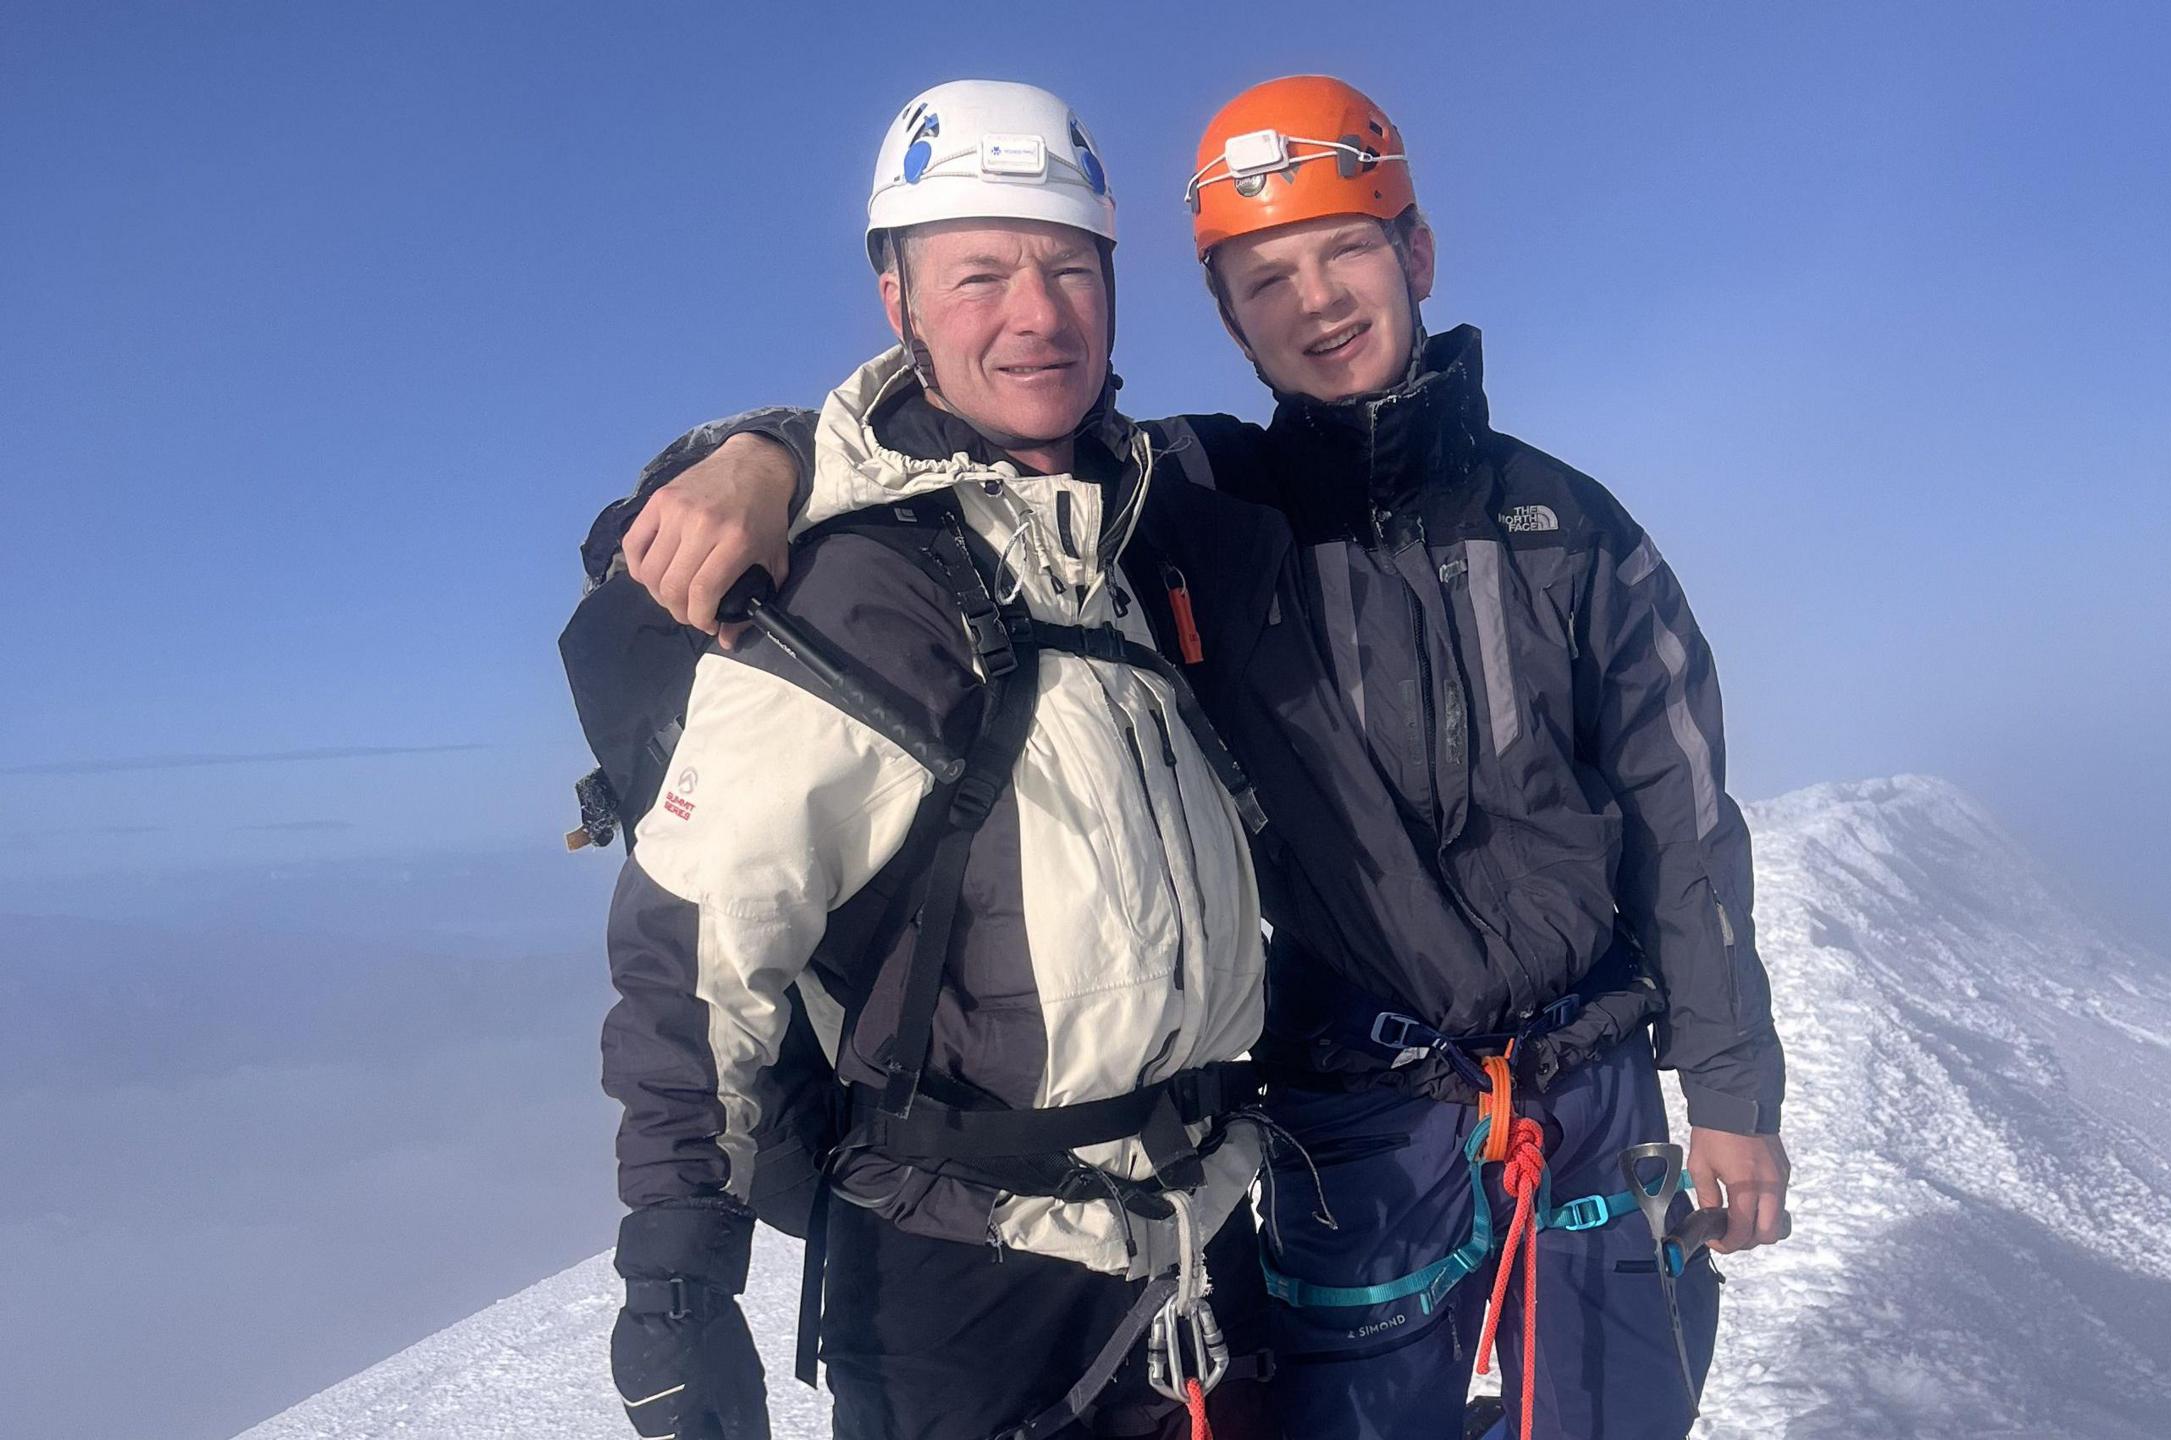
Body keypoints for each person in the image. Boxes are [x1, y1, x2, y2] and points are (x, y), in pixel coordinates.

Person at [603, 75, 1791, 1440]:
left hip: (1580, 1087)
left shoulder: (1566, 528)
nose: (1317, 300)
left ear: (1416, 252)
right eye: (1261, 278)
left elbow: (1680, 820)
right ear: (1227, 319)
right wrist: (755, 455)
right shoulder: (1196, 505)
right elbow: (946, 455)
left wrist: (1735, 1093)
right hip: (1356, 1105)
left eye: (1345, 247)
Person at [591, 80, 1283, 1440]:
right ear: (899, 302)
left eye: (1068, 268)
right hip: (960, 1295)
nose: (1036, 313)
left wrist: (771, 445)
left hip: (1199, 1242)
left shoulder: (1134, 540)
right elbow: (702, 945)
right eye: (980, 275)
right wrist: (676, 1280)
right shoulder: (847, 595)